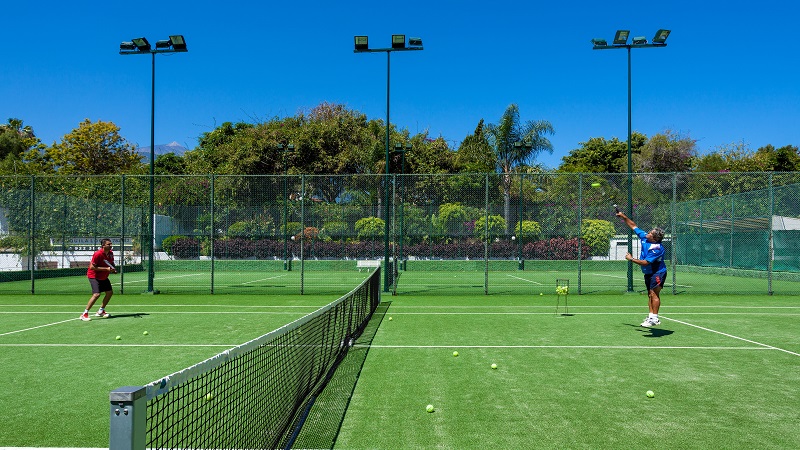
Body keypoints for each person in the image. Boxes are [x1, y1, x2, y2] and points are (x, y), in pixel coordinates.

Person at [615, 210, 666, 327]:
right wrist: (623, 216)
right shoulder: (645, 238)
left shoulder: (657, 248)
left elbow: (645, 262)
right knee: (650, 294)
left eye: (650, 233)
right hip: (649, 272)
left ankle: (655, 318)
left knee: (654, 293)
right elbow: (633, 226)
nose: (647, 233)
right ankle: (651, 317)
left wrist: (631, 259)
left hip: (657, 272)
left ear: (654, 238)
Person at [80, 238, 117, 321]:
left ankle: (101, 311)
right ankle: (84, 314)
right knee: (96, 294)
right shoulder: (98, 254)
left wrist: (113, 268)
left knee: (109, 292)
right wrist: (106, 269)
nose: (111, 245)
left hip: (104, 276)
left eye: (111, 244)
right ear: (103, 245)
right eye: (109, 244)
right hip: (94, 276)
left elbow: (111, 263)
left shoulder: (111, 253)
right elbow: (92, 267)